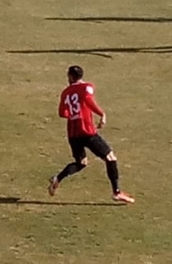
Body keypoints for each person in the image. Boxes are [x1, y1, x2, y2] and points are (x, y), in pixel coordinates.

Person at [47, 65, 134, 203]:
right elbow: (88, 99)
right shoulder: (87, 87)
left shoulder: (65, 92)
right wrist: (101, 114)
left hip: (73, 133)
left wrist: (74, 114)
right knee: (110, 158)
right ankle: (116, 192)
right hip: (86, 131)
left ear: (70, 76)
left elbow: (62, 113)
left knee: (81, 163)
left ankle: (57, 178)